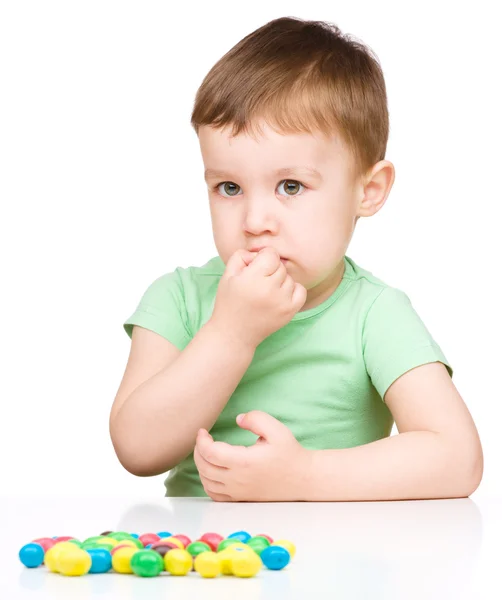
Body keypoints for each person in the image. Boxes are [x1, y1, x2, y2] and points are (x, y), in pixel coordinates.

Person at [109, 16, 483, 501]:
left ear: (367, 191)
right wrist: (231, 333)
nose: (254, 219)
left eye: (291, 186)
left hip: (336, 563)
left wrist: (303, 476)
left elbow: (457, 457)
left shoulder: (374, 314)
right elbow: (137, 449)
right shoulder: (178, 298)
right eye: (229, 187)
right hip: (202, 562)